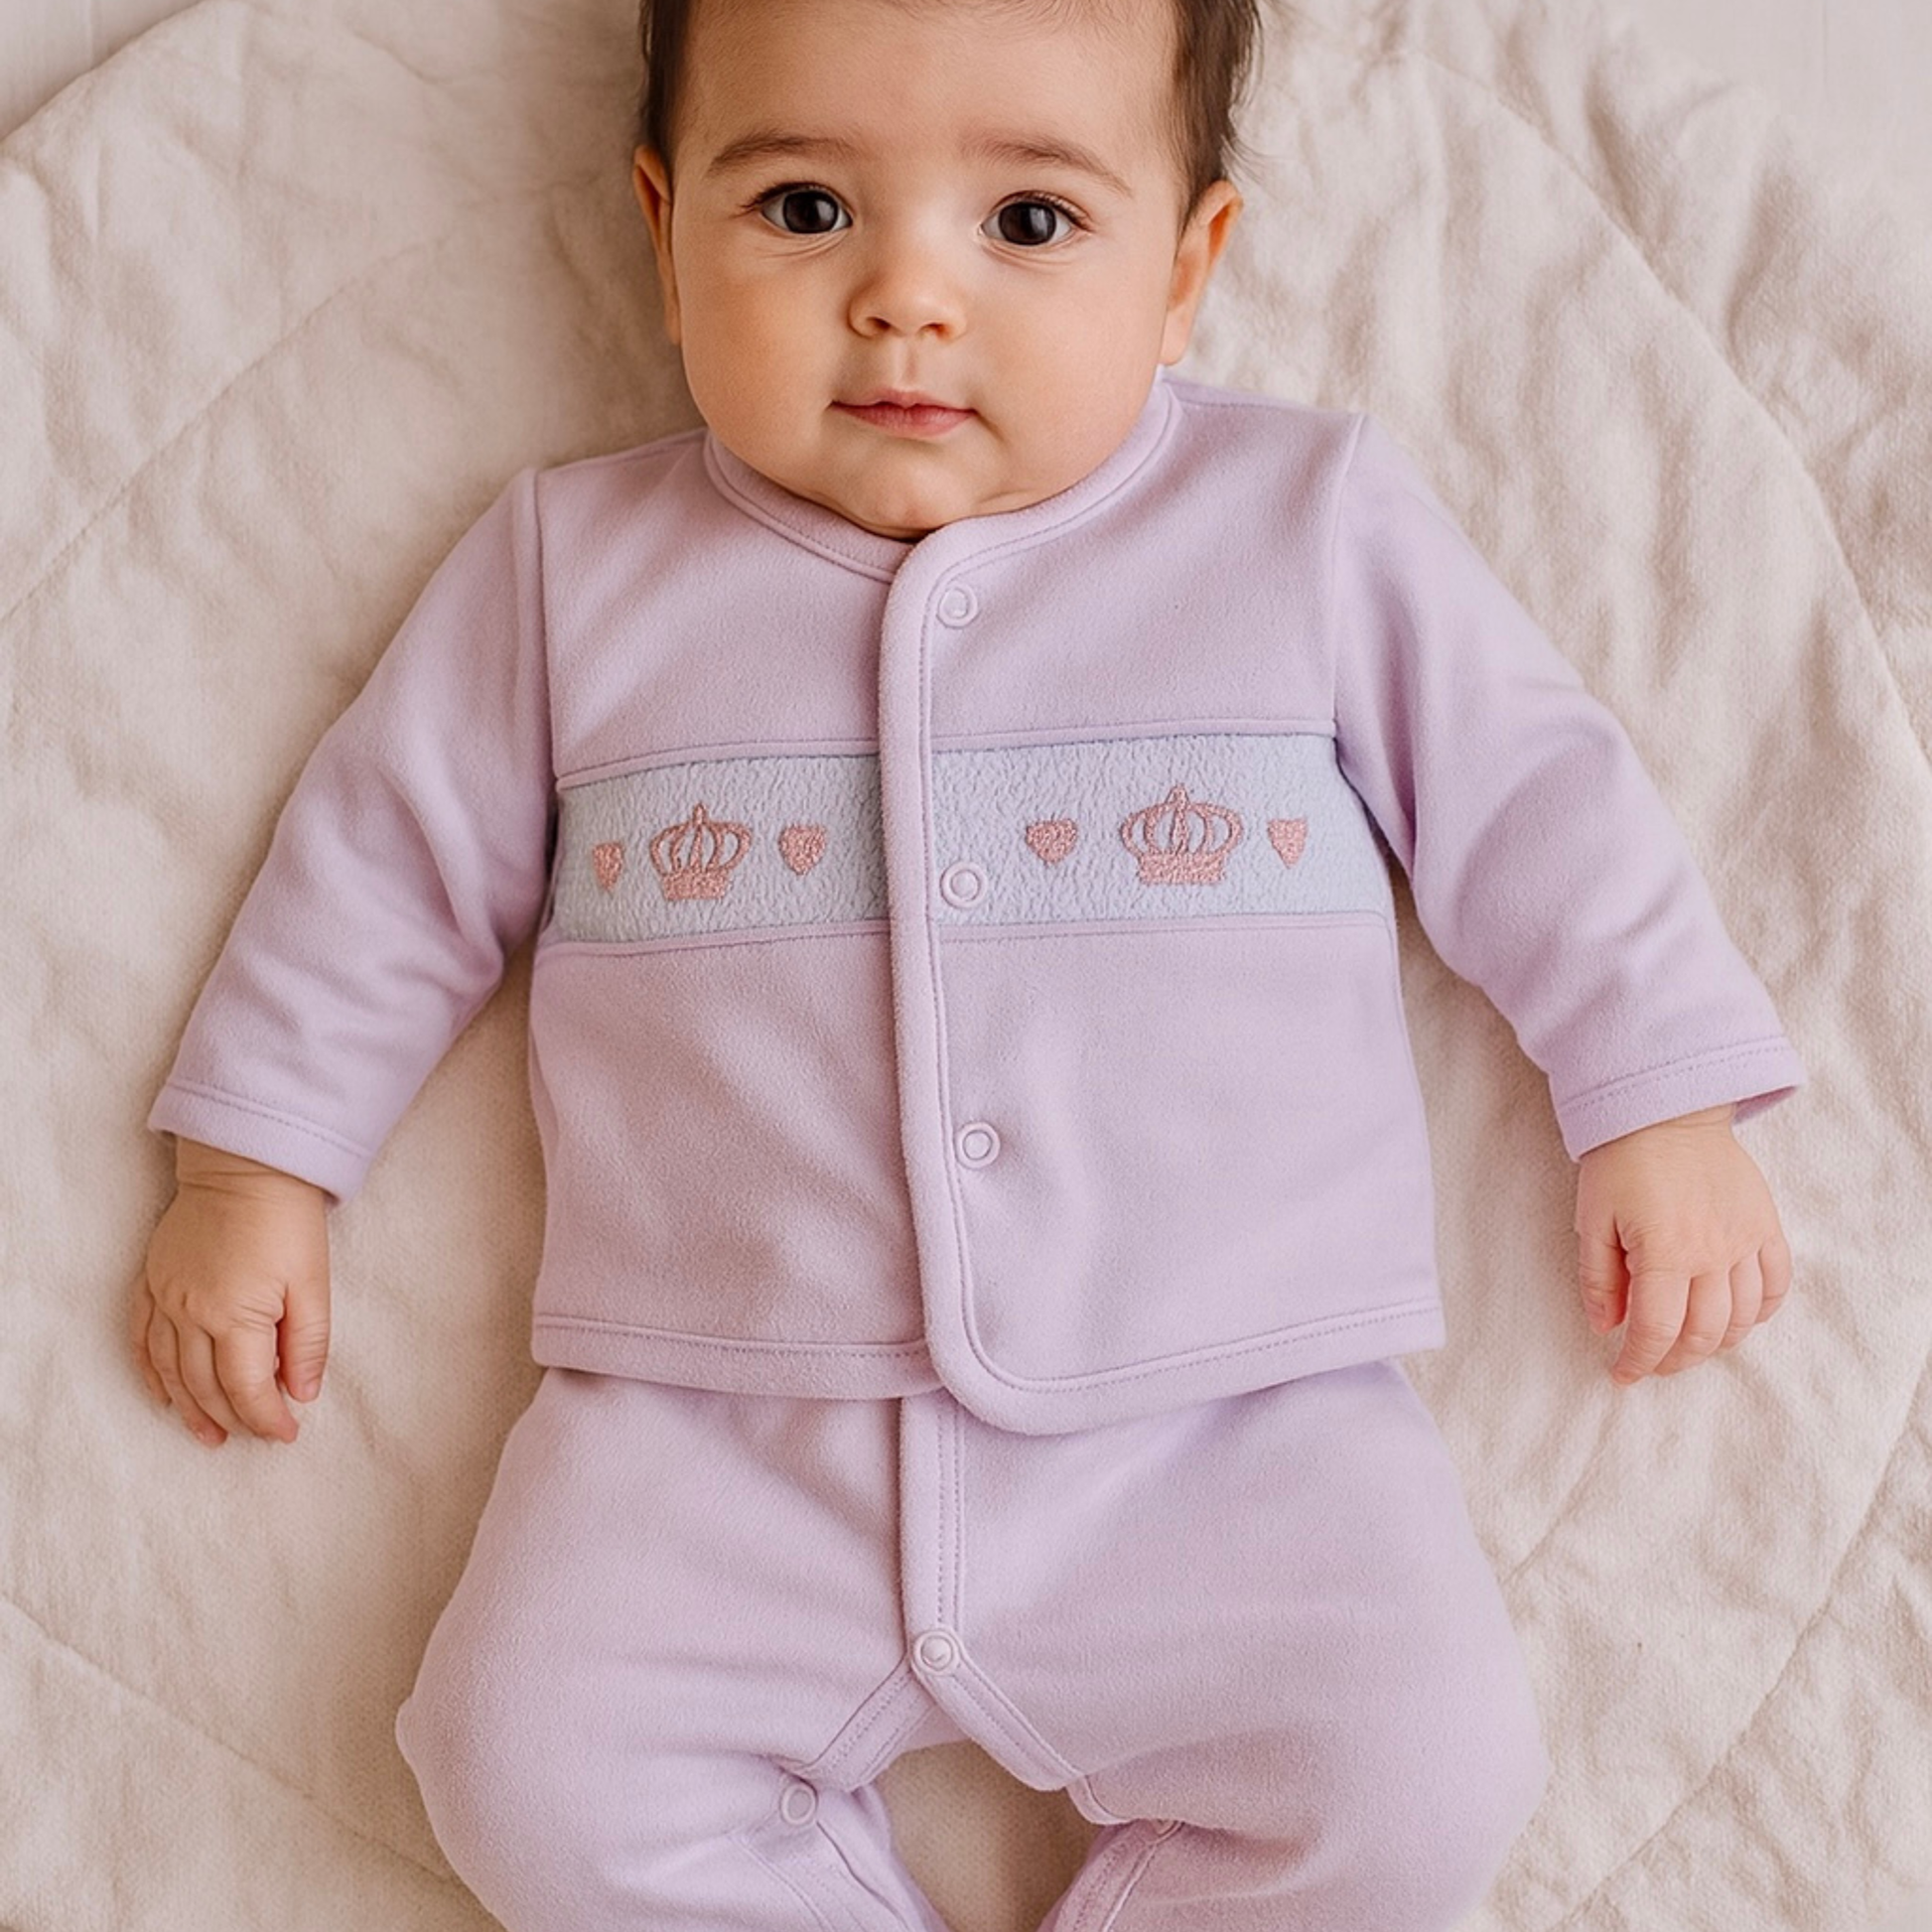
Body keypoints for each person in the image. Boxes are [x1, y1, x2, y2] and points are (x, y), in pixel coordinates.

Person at [131, 0, 1806, 1925]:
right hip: (714, 1424)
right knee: (520, 1764)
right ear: (663, 231)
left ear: (1185, 268)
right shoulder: (573, 572)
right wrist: (256, 1167)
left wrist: (1655, 1093)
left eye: (1027, 221)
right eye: (805, 207)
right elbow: (380, 862)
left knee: (1418, 1776)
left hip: (1229, 1417)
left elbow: (1535, 797)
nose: (906, 297)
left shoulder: (1299, 524)